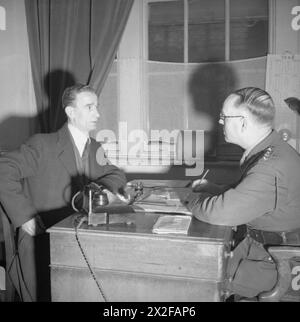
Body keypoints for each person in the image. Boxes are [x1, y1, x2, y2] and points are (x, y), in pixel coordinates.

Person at [0, 84, 127, 301]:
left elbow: (115, 174)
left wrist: (102, 189)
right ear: (70, 112)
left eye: (96, 106)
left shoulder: (95, 147)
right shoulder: (43, 144)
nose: (97, 113)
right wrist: (24, 217)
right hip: (42, 240)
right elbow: (3, 169)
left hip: (81, 236)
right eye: (89, 107)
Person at [184, 87, 300, 300]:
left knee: (194, 278)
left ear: (243, 121)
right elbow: (249, 196)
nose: (220, 122)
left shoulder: (271, 165)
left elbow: (222, 212)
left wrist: (187, 201)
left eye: (224, 117)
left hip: (275, 262)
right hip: (262, 248)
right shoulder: (268, 150)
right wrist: (213, 188)